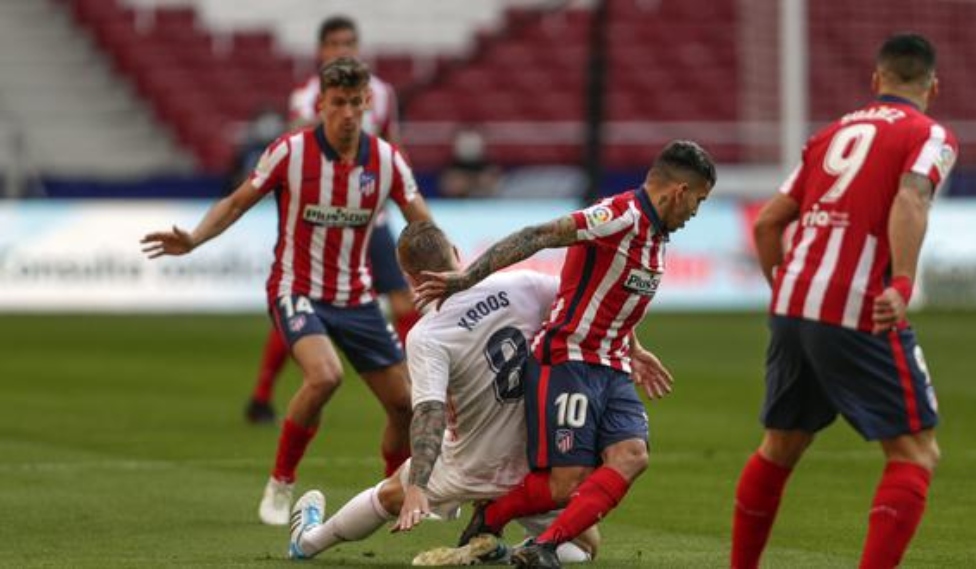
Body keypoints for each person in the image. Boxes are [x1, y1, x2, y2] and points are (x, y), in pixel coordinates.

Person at [141, 57, 433, 526]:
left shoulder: (386, 161)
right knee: (325, 376)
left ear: (366, 103)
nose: (348, 113)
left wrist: (454, 272)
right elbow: (236, 203)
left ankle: (392, 492)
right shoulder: (290, 152)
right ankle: (281, 481)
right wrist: (194, 238)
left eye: (355, 103)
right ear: (321, 105)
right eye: (338, 103)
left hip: (356, 296)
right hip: (296, 288)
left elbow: (422, 222)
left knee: (405, 405)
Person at [286, 221, 666, 564]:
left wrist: (417, 487)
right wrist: (633, 348)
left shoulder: (427, 335)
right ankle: (506, 549)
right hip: (533, 464)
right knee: (585, 548)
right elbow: (586, 305)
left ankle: (308, 541)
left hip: (468, 465)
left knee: (386, 497)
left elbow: (430, 413)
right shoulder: (523, 286)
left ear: (410, 278)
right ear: (456, 253)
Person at [414, 141, 716, 568]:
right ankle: (492, 517)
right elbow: (537, 235)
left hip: (613, 366)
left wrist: (634, 346)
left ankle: (544, 547)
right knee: (565, 485)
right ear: (680, 192)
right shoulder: (617, 216)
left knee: (633, 456)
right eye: (698, 201)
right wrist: (466, 279)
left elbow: (612, 292)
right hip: (568, 360)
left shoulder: (657, 234)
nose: (696, 213)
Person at [729, 34, 958, 569]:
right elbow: (911, 198)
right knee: (915, 451)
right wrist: (902, 284)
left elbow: (767, 224)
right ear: (933, 87)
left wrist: (785, 290)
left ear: (876, 80)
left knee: (780, 446)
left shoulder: (829, 135)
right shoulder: (928, 134)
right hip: (857, 304)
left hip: (794, 303)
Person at [246, 15, 419, 424]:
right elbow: (299, 140)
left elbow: (393, 142)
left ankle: (417, 380)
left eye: (349, 43)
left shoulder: (382, 93)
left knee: (403, 298)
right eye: (335, 44)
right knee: (303, 298)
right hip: (322, 218)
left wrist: (398, 183)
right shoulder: (308, 95)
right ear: (321, 51)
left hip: (368, 218)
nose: (343, 50)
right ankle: (262, 394)